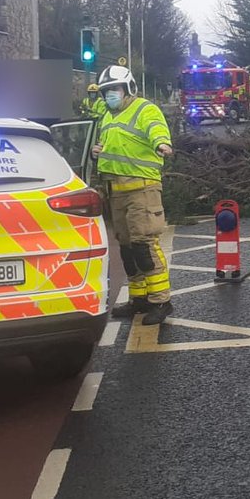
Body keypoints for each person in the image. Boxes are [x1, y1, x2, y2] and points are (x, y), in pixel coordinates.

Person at [92, 64, 175, 325]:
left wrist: (162, 142)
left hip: (142, 188)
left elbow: (155, 128)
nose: (109, 96)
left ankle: (161, 300)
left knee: (144, 245)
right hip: (116, 190)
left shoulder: (144, 109)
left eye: (113, 90)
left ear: (128, 88)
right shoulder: (107, 117)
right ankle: (138, 299)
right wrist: (98, 151)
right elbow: (114, 147)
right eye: (105, 92)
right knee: (127, 249)